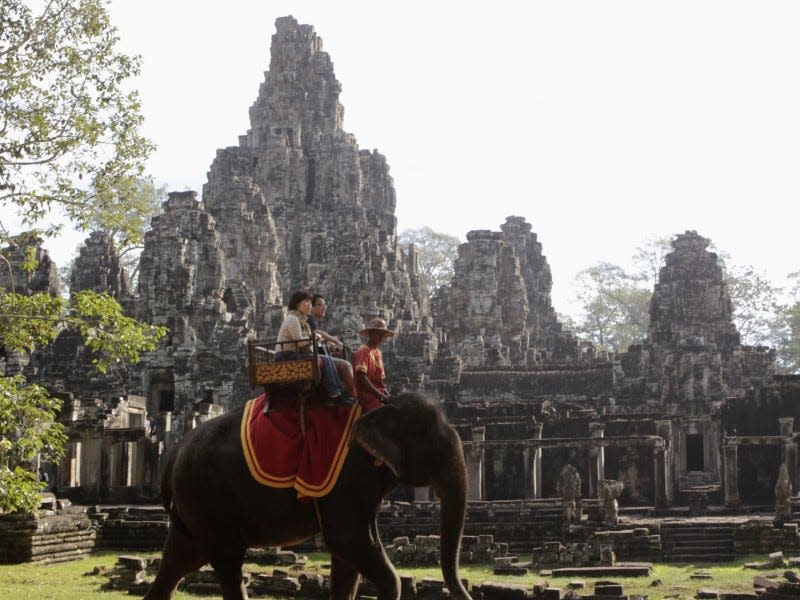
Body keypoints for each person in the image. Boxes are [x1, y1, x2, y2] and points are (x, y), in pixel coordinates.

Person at [275, 290, 354, 404]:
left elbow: (306, 341)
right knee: (326, 359)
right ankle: (335, 393)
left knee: (328, 359)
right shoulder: (293, 318)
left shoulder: (302, 321)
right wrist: (314, 338)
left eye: (310, 302)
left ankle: (339, 392)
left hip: (294, 354)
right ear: (297, 303)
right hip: (286, 355)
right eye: (306, 302)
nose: (309, 305)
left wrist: (317, 340)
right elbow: (300, 342)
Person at [353, 317, 394, 412]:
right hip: (366, 395)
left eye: (383, 334)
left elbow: (380, 381)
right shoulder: (363, 351)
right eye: (378, 334)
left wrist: (387, 394)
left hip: (378, 394)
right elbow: (361, 376)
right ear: (371, 334)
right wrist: (379, 395)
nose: (381, 337)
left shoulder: (378, 353)